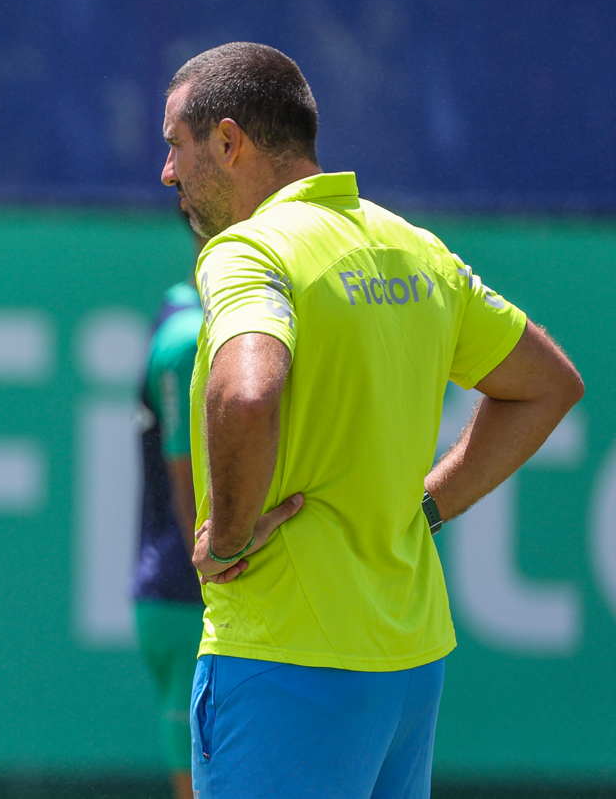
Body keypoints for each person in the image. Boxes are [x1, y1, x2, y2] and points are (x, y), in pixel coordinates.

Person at [159, 42, 583, 798]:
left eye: (176, 146)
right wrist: (430, 505)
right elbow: (548, 385)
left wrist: (225, 534)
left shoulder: (248, 250)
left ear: (229, 142)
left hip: (285, 658)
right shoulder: (412, 248)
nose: (168, 173)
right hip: (408, 666)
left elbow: (247, 391)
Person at [131, 274, 206, 799]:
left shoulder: (183, 311)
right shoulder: (188, 334)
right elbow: (193, 489)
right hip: (195, 597)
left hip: (192, 596)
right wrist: (219, 574)